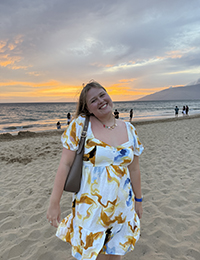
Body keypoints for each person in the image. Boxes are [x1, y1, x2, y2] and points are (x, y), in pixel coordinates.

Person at [47, 81, 144, 260]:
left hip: (122, 208)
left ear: (109, 95)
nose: (100, 101)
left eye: (102, 95)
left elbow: (135, 169)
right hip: (91, 210)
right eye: (93, 100)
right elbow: (65, 165)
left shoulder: (130, 130)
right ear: (88, 108)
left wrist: (138, 200)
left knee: (115, 256)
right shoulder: (80, 126)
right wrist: (54, 202)